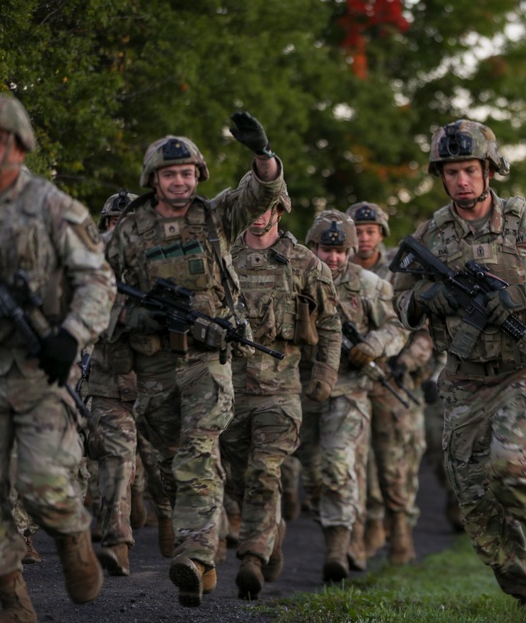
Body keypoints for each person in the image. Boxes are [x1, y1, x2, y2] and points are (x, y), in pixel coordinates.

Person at [393, 119, 526, 609]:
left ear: (489, 170)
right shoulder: (431, 235)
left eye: (470, 170)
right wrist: (428, 297)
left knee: (511, 469)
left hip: (523, 371)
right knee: (477, 508)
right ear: (441, 175)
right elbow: (399, 303)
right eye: (452, 171)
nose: (461, 180)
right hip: (462, 381)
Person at [106, 112, 285, 607]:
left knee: (199, 453)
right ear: (153, 180)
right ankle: (199, 549)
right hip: (155, 364)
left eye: (187, 173)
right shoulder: (130, 231)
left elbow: (262, 195)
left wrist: (264, 156)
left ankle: (196, 554)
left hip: (208, 360)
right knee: (166, 462)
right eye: (170, 174)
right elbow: (98, 289)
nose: (179, 181)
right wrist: (133, 322)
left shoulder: (216, 215)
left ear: (198, 176)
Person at [0, 93, 116, 620]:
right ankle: (13, 600)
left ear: (19, 145)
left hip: (39, 367)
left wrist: (72, 334)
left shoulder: (51, 205)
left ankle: (74, 539)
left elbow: (98, 280)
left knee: (43, 485)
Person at [221, 183, 341, 600]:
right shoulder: (224, 256)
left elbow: (329, 325)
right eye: (251, 206)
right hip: (229, 391)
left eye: (266, 206)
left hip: (281, 391)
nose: (258, 214)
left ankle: (252, 555)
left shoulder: (305, 263)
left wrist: (324, 375)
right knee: (237, 480)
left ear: (280, 210)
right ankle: (271, 530)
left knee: (264, 472)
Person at [295, 210, 408, 583]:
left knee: (338, 465)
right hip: (302, 388)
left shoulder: (370, 285)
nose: (333, 258)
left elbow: (396, 327)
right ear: (312, 248)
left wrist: (374, 344)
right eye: (325, 251)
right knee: (311, 474)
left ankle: (338, 550)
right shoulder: (294, 280)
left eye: (341, 251)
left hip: (349, 390)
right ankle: (337, 532)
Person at [346, 200, 434, 565]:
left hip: (396, 379)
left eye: (370, 232)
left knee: (396, 464)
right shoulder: (338, 269)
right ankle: (366, 531)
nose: (364, 239)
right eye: (358, 232)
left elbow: (425, 329)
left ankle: (400, 535)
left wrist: (405, 362)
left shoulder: (401, 270)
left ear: (381, 234)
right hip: (353, 379)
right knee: (357, 463)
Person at [86, 190, 147, 578]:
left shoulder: (157, 265)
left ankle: (149, 504)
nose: (119, 229)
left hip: (156, 380)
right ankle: (116, 541)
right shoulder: (89, 268)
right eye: (112, 222)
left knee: (162, 464)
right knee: (115, 458)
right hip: (109, 376)